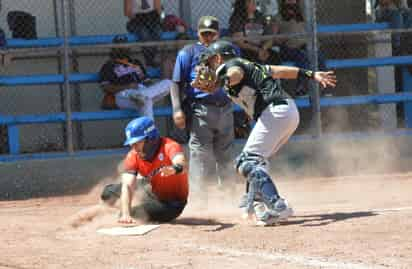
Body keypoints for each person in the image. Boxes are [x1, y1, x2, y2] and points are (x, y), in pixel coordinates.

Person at [192, 40, 336, 226]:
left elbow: (235, 73)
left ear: (219, 58)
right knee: (257, 161)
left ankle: (278, 206)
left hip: (275, 113)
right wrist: (311, 74)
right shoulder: (254, 65)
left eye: (211, 60)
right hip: (287, 112)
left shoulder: (231, 66)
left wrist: (222, 80)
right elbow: (280, 71)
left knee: (247, 161)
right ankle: (256, 204)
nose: (209, 65)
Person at [170, 16, 235, 199]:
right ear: (197, 33)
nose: (208, 37)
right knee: (200, 154)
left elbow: (239, 77)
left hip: (226, 107)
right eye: (204, 33)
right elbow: (175, 83)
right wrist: (177, 109)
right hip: (201, 109)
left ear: (218, 33)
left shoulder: (228, 50)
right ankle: (198, 198)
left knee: (226, 152)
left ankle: (230, 195)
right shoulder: (188, 52)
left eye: (211, 33)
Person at [101, 116, 189, 224]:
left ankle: (130, 208)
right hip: (150, 189)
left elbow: (182, 164)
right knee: (107, 192)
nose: (134, 147)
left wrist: (174, 169)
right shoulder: (133, 154)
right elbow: (127, 185)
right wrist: (125, 213)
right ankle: (126, 208)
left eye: (137, 142)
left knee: (135, 213)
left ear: (150, 139)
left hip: (171, 203)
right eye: (131, 144)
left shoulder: (170, 146)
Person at [99, 35, 176, 119]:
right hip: (124, 94)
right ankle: (141, 97)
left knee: (169, 83)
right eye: (119, 46)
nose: (122, 48)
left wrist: (154, 87)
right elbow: (106, 87)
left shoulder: (136, 62)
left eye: (124, 45)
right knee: (146, 102)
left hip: (143, 91)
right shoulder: (108, 66)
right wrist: (127, 86)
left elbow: (146, 81)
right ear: (113, 48)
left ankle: (141, 96)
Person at [274, 0, 325, 96]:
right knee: (303, 57)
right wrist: (284, 38)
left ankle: (323, 85)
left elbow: (310, 35)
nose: (291, 2)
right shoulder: (278, 17)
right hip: (288, 48)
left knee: (319, 56)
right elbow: (273, 39)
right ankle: (301, 86)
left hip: (304, 47)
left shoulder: (302, 16)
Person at [228, 0, 281, 65]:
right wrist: (258, 50)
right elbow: (240, 42)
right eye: (250, 1)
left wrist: (263, 49)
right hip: (247, 50)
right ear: (243, 4)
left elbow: (268, 36)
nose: (254, 2)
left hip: (261, 48)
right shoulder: (237, 18)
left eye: (254, 1)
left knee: (276, 57)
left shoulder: (259, 16)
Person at [124, 0, 162, 67]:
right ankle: (150, 61)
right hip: (137, 19)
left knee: (157, 33)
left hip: (151, 18)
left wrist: (158, 18)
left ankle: (150, 59)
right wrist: (136, 16)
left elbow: (158, 9)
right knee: (144, 34)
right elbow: (127, 12)